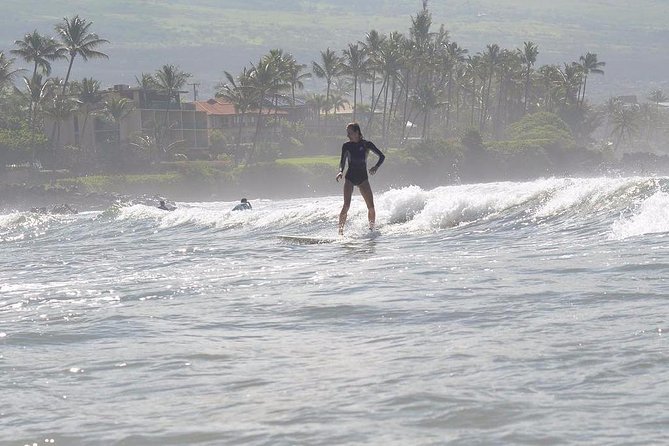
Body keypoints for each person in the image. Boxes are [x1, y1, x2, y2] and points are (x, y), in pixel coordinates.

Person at [336, 122, 385, 235]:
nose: (348, 135)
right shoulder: (346, 146)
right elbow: (342, 161)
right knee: (346, 205)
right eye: (347, 133)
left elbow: (382, 156)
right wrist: (340, 172)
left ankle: (371, 231)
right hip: (350, 178)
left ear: (357, 132)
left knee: (371, 207)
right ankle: (340, 232)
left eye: (350, 133)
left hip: (363, 179)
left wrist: (376, 167)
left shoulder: (366, 144)